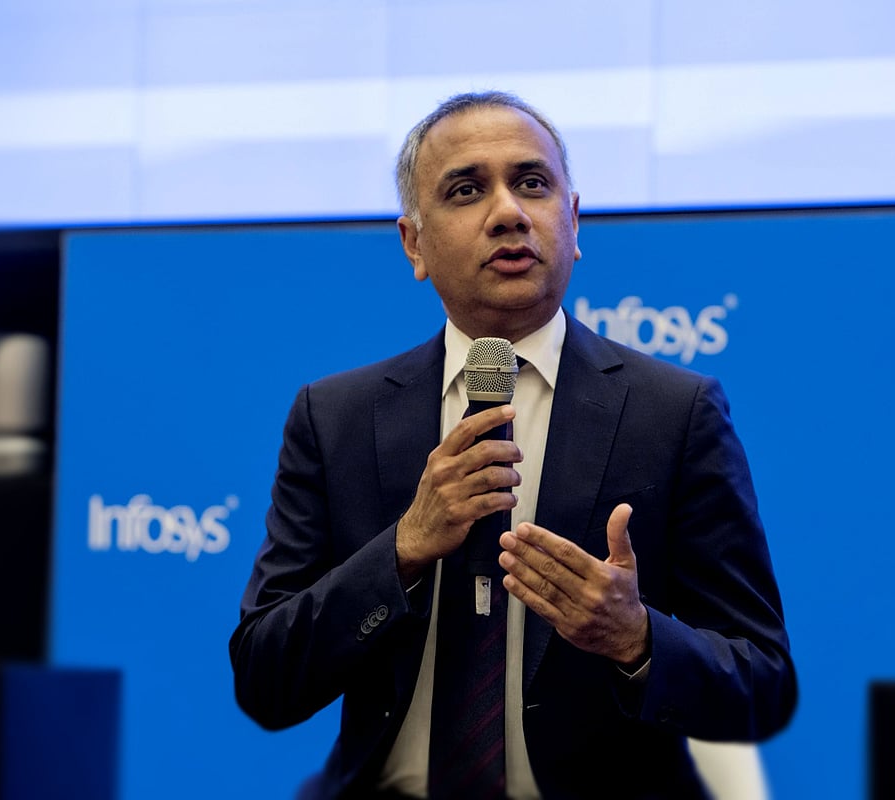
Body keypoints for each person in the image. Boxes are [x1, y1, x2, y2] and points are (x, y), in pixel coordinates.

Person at [229, 90, 797, 799]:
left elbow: (764, 682)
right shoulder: (335, 419)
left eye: (532, 183)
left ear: (573, 219)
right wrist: (403, 547)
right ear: (414, 243)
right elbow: (264, 680)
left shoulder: (673, 414)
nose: (508, 212)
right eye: (467, 189)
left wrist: (636, 638)